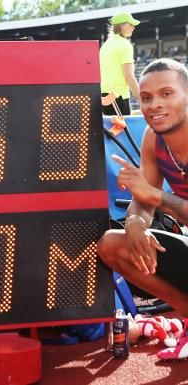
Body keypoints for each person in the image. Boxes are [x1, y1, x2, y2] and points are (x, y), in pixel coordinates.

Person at [97, 58, 188, 360]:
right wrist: (136, 224)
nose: (154, 105)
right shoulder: (153, 138)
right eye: (146, 98)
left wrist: (158, 197)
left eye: (166, 93)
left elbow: (152, 195)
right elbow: (142, 200)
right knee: (113, 243)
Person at [100, 12, 140, 115]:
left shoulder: (105, 45)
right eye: (131, 24)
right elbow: (128, 77)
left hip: (104, 96)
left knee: (109, 131)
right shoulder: (125, 45)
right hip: (119, 96)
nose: (133, 27)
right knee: (122, 130)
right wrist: (141, 99)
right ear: (122, 26)